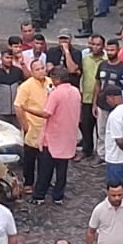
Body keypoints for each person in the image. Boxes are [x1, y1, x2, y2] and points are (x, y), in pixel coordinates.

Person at [34, 67, 81, 205]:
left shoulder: (56, 94)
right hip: (68, 136)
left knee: (45, 170)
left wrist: (27, 109)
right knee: (62, 171)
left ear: (56, 79)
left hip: (53, 138)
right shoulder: (75, 91)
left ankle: (39, 196)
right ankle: (58, 196)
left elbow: (46, 113)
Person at [14, 60, 50, 195]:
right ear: (32, 71)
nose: (41, 71)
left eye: (42, 68)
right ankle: (28, 182)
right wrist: (24, 125)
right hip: (32, 126)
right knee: (30, 158)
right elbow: (18, 106)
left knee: (44, 157)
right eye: (37, 69)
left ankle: (42, 181)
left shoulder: (50, 82)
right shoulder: (26, 86)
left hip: (47, 127)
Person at [100, 85, 123, 189]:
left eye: (107, 98)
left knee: (116, 189)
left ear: (111, 97)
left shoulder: (115, 115)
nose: (107, 101)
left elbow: (119, 140)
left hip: (116, 159)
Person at [78, 34, 107, 155]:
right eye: (93, 44)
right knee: (85, 126)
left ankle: (101, 152)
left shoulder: (106, 60)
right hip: (86, 97)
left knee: (101, 128)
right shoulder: (85, 59)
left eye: (98, 45)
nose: (95, 47)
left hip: (102, 99)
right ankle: (87, 150)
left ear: (103, 46)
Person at [0, 49, 25, 128]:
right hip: (0, 112)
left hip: (15, 112)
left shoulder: (18, 72)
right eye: (7, 58)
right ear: (1, 58)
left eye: (11, 58)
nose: (9, 60)